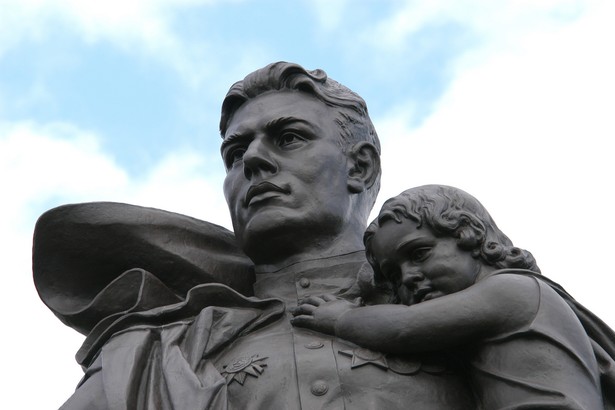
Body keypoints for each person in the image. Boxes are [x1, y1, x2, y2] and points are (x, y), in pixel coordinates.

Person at [35, 62, 478, 409]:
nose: (253, 161)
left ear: (360, 167)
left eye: (288, 138)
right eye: (234, 153)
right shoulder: (157, 348)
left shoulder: (462, 297)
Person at [292, 184, 615, 409]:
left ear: (470, 237)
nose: (408, 277)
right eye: (393, 275)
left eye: (419, 254)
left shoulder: (512, 291)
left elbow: (404, 328)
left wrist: (342, 318)